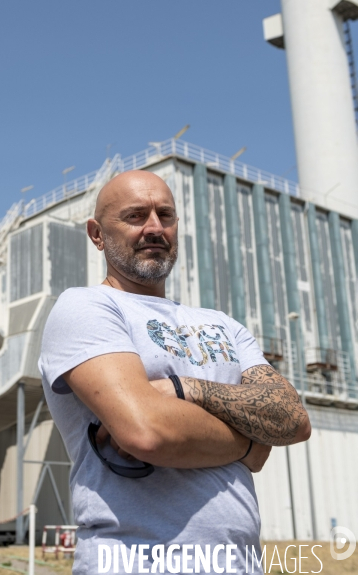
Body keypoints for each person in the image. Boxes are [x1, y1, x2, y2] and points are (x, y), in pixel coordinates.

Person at [38, 170, 311, 575]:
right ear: (97, 234)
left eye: (165, 215)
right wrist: (250, 446)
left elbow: (291, 419)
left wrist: (184, 389)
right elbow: (147, 432)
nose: (154, 228)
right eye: (135, 216)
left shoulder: (223, 324)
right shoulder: (86, 308)